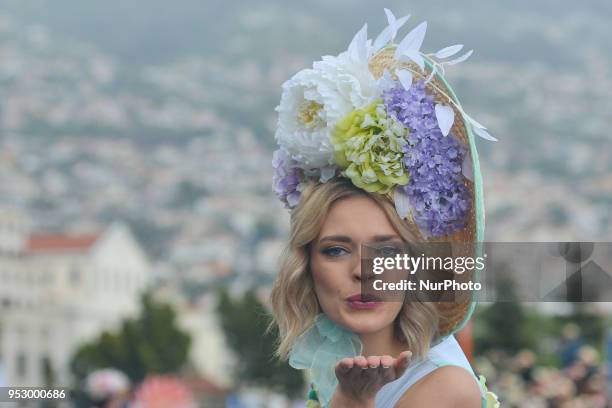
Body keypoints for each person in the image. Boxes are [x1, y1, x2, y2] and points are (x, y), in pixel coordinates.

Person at [268, 8, 500, 408]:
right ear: (305, 263)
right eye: (336, 250)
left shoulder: (442, 389)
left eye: (388, 250)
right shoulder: (337, 367)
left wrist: (353, 401)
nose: (364, 270)